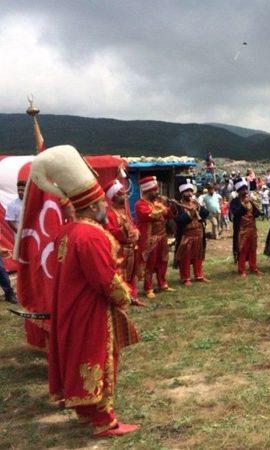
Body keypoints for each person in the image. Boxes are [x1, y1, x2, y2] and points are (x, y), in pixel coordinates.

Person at [29, 145, 139, 437]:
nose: (105, 205)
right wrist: (126, 295)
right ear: (92, 205)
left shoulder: (68, 231)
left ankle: (86, 412)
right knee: (99, 358)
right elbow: (105, 279)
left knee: (81, 357)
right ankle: (104, 420)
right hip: (91, 310)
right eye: (101, 202)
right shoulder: (90, 235)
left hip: (73, 306)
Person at [104, 179, 143, 306]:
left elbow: (132, 225)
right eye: (122, 194)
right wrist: (124, 231)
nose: (125, 196)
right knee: (122, 274)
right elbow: (110, 232)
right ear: (114, 197)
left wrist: (136, 231)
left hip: (132, 248)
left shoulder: (124, 211)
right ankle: (124, 297)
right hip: (121, 250)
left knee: (132, 274)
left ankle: (133, 296)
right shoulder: (110, 214)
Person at [135, 176, 174, 299]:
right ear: (147, 191)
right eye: (155, 190)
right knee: (149, 264)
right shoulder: (140, 204)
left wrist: (171, 206)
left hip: (162, 237)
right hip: (150, 239)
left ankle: (163, 284)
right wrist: (162, 209)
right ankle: (148, 288)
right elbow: (149, 215)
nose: (157, 193)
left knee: (164, 260)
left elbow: (169, 215)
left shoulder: (157, 203)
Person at [173, 180, 209, 285]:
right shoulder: (178, 206)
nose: (189, 194)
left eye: (190, 191)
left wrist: (199, 207)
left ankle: (199, 275)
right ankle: (185, 278)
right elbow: (179, 220)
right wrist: (191, 214)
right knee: (185, 257)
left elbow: (206, 214)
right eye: (186, 191)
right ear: (182, 193)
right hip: (186, 235)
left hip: (199, 233)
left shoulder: (195, 203)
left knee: (198, 256)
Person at [230, 178, 262, 277]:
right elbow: (236, 213)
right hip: (241, 229)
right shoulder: (234, 202)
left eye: (245, 189)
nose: (245, 191)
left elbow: (256, 214)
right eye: (242, 190)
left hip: (252, 228)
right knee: (242, 249)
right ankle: (241, 269)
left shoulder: (250, 200)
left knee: (253, 248)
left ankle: (253, 267)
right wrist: (244, 205)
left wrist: (256, 206)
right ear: (238, 191)